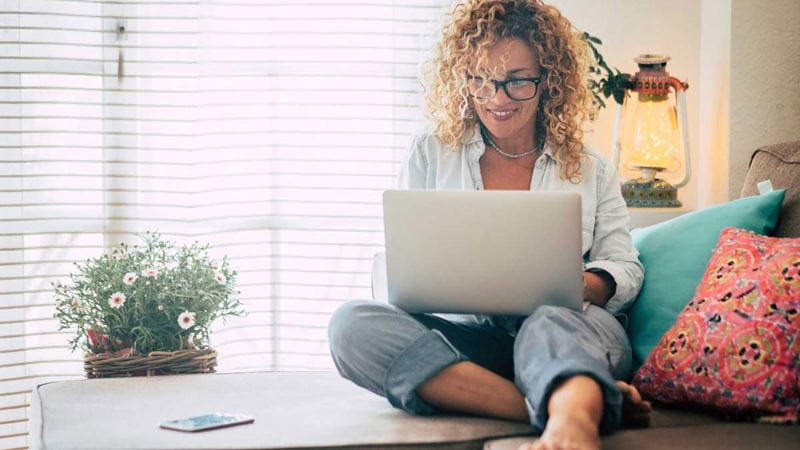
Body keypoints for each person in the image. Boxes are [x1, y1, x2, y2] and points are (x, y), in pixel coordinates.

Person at [328, 1, 650, 449]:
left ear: (548, 81)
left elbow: (625, 265)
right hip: (467, 348)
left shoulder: (589, 167)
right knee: (350, 325)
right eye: (481, 79)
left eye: (517, 81)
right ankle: (555, 403)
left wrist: (583, 285)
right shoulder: (430, 151)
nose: (497, 99)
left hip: (566, 334)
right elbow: (407, 257)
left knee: (549, 322)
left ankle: (571, 426)